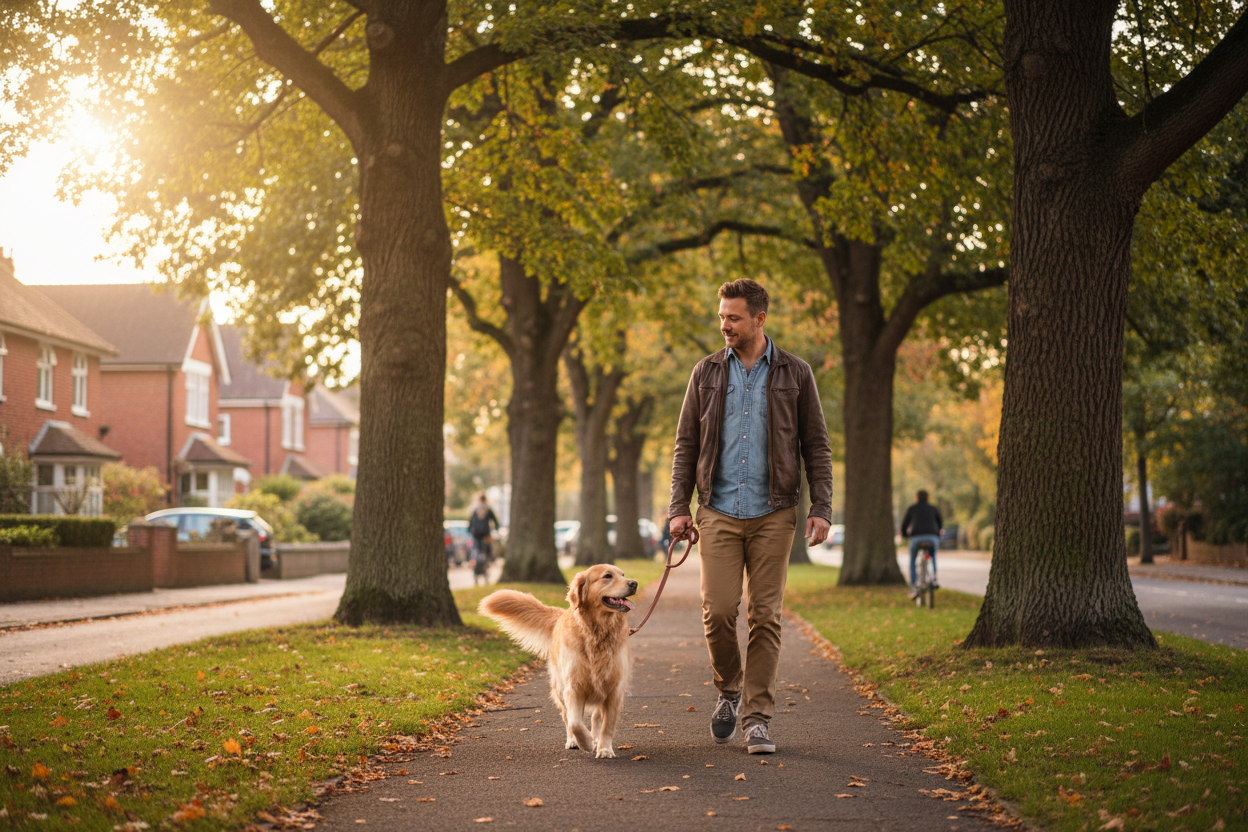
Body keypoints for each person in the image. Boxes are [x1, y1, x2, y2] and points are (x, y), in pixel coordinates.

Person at [668, 278, 834, 755]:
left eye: (733, 317)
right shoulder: (705, 373)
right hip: (717, 510)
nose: (724, 325)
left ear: (759, 319)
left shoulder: (795, 373)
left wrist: (821, 508)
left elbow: (816, 446)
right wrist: (679, 507)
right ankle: (729, 690)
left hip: (774, 513)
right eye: (721, 316)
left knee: (766, 617)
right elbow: (686, 445)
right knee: (718, 612)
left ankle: (757, 719)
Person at [900, 490, 943, 594]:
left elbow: (905, 524)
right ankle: (934, 578)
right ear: (927, 497)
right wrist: (937, 532)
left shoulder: (912, 508)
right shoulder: (933, 508)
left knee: (913, 560)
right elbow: (940, 522)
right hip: (932, 537)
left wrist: (905, 535)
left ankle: (914, 584)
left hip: (916, 537)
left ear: (917, 497)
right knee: (932, 556)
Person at [468, 494, 499, 585]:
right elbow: (496, 522)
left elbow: (470, 524)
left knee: (475, 555)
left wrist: (470, 533)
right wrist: (495, 531)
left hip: (476, 536)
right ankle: (486, 571)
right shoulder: (488, 509)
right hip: (486, 536)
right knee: (487, 555)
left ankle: (475, 575)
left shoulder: (475, 509)